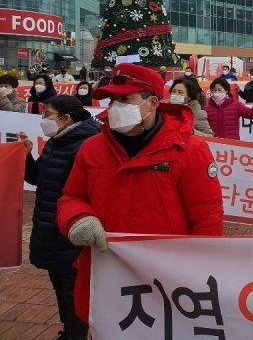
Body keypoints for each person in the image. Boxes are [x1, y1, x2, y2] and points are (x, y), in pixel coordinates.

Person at [57, 62, 223, 323]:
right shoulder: (92, 149)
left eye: (126, 99)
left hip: (167, 277)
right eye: (112, 100)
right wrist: (78, 218)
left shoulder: (190, 150)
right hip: (107, 270)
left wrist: (196, 272)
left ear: (153, 103)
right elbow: (71, 197)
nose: (116, 108)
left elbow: (207, 219)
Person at [20, 95, 101, 340]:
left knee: (73, 291)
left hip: (69, 232)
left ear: (66, 119)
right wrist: (27, 156)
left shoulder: (85, 145)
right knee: (61, 286)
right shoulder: (57, 141)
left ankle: (75, 335)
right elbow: (38, 179)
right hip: (49, 229)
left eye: (49, 114)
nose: (44, 119)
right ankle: (68, 332)